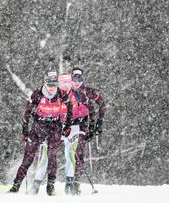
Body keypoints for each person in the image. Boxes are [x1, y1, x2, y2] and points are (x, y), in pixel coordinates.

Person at [9, 71, 72, 195]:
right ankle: (16, 184)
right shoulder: (37, 93)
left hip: (55, 127)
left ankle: (50, 185)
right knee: (28, 157)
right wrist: (25, 131)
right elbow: (27, 113)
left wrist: (67, 125)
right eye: (49, 85)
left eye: (54, 85)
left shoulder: (61, 94)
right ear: (45, 83)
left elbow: (69, 107)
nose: (52, 88)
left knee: (52, 155)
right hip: (39, 126)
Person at [65, 67, 106, 195]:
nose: (77, 82)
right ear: (70, 79)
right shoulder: (65, 91)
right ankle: (68, 182)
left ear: (83, 80)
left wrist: (98, 123)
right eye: (74, 79)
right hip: (68, 124)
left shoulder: (88, 91)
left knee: (79, 151)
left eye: (80, 79)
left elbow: (102, 104)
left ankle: (76, 182)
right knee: (68, 153)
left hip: (82, 124)